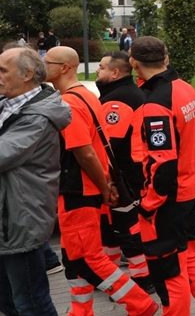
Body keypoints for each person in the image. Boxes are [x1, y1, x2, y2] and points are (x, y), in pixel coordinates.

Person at [44, 47, 159, 315]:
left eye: (47, 62)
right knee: (74, 259)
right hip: (84, 188)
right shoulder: (86, 96)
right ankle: (80, 310)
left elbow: (84, 152)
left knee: (86, 258)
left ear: (64, 67)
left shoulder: (69, 103)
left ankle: (140, 304)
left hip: (78, 189)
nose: (42, 66)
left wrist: (104, 186)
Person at [129, 37, 195, 315]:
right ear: (166, 58)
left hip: (167, 201)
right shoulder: (185, 89)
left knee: (168, 271)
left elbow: (163, 165)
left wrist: (149, 204)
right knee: (189, 257)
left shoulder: (156, 103)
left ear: (133, 62)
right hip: (190, 188)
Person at [0, 47, 69, 316]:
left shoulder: (38, 117)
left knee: (30, 303)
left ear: (27, 74)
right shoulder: (10, 104)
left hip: (20, 222)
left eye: (3, 70)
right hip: (7, 220)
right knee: (7, 302)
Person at [95, 51, 153, 292]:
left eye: (101, 68)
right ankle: (111, 276)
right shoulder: (131, 93)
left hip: (124, 177)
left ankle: (141, 281)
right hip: (132, 173)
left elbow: (110, 144)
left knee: (127, 230)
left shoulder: (117, 101)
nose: (98, 71)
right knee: (112, 229)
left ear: (115, 72)